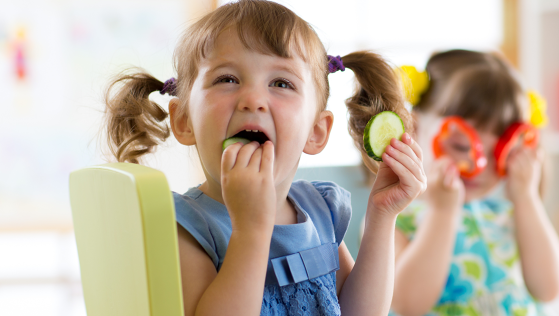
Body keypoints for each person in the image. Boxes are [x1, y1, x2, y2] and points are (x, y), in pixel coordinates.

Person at [101, 1, 427, 315]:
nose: (253, 99)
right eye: (227, 79)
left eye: (281, 83)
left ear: (316, 131)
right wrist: (251, 231)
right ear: (184, 119)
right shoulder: (185, 226)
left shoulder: (319, 211)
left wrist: (382, 217)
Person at [391, 50, 559, 316]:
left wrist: (526, 198)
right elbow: (405, 304)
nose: (479, 167)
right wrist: (442, 212)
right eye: (462, 146)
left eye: (499, 153)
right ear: (413, 128)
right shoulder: (395, 217)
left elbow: (549, 289)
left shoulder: (510, 212)